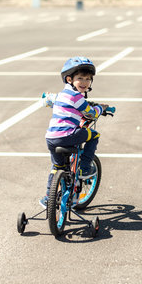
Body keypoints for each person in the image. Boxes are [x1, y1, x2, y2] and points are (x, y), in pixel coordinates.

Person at [39, 56, 108, 208]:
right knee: (94, 135)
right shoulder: (77, 97)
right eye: (80, 78)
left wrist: (47, 98)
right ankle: (85, 168)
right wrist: (101, 108)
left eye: (88, 79)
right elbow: (91, 114)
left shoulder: (60, 95)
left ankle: (48, 197)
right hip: (68, 135)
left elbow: (47, 100)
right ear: (69, 79)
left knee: (57, 167)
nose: (84, 82)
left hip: (51, 138)